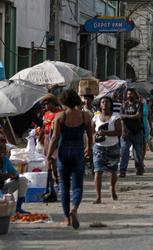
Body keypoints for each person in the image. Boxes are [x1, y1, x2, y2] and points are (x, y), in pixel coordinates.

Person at [47, 89, 94, 229]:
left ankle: (66, 218)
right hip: (79, 150)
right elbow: (91, 136)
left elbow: (55, 138)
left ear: (63, 101)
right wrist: (89, 148)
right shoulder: (85, 116)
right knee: (78, 185)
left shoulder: (60, 116)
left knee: (65, 186)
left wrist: (49, 156)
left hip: (63, 151)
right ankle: (74, 208)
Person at [92, 96, 122, 204]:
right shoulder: (95, 117)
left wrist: (105, 133)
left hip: (113, 147)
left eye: (107, 102)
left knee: (112, 172)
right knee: (98, 171)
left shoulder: (115, 117)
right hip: (99, 147)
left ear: (110, 104)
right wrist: (92, 139)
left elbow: (119, 132)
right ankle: (98, 196)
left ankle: (112, 188)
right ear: (100, 105)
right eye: (102, 102)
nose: (104, 104)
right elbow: (90, 131)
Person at [119, 88, 145, 177]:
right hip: (126, 132)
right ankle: (122, 170)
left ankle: (140, 169)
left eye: (131, 94)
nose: (129, 95)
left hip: (137, 131)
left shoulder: (139, 105)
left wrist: (126, 116)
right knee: (124, 151)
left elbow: (138, 116)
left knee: (138, 152)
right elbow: (121, 118)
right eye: (128, 94)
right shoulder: (123, 105)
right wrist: (123, 130)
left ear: (135, 95)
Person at [40, 94, 63, 184]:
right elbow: (43, 126)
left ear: (54, 103)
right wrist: (39, 137)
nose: (46, 106)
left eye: (48, 104)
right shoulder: (45, 114)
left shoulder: (59, 112)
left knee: (56, 157)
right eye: (45, 104)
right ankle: (52, 176)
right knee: (49, 158)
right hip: (46, 137)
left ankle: (58, 176)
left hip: (56, 137)